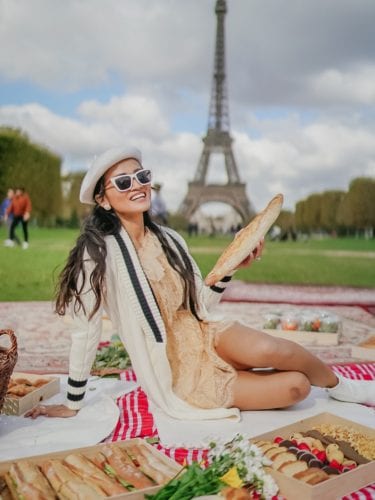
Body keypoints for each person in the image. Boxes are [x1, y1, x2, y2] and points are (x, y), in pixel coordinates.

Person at [25, 146, 375, 419]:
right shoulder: (98, 253)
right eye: (123, 181)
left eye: (142, 175)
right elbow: (84, 329)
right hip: (179, 369)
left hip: (205, 332)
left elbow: (199, 306)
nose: (138, 185)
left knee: (276, 350)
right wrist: (72, 402)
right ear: (102, 199)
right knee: (296, 387)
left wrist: (230, 267)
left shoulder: (171, 239)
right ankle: (252, 373)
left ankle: (342, 386)